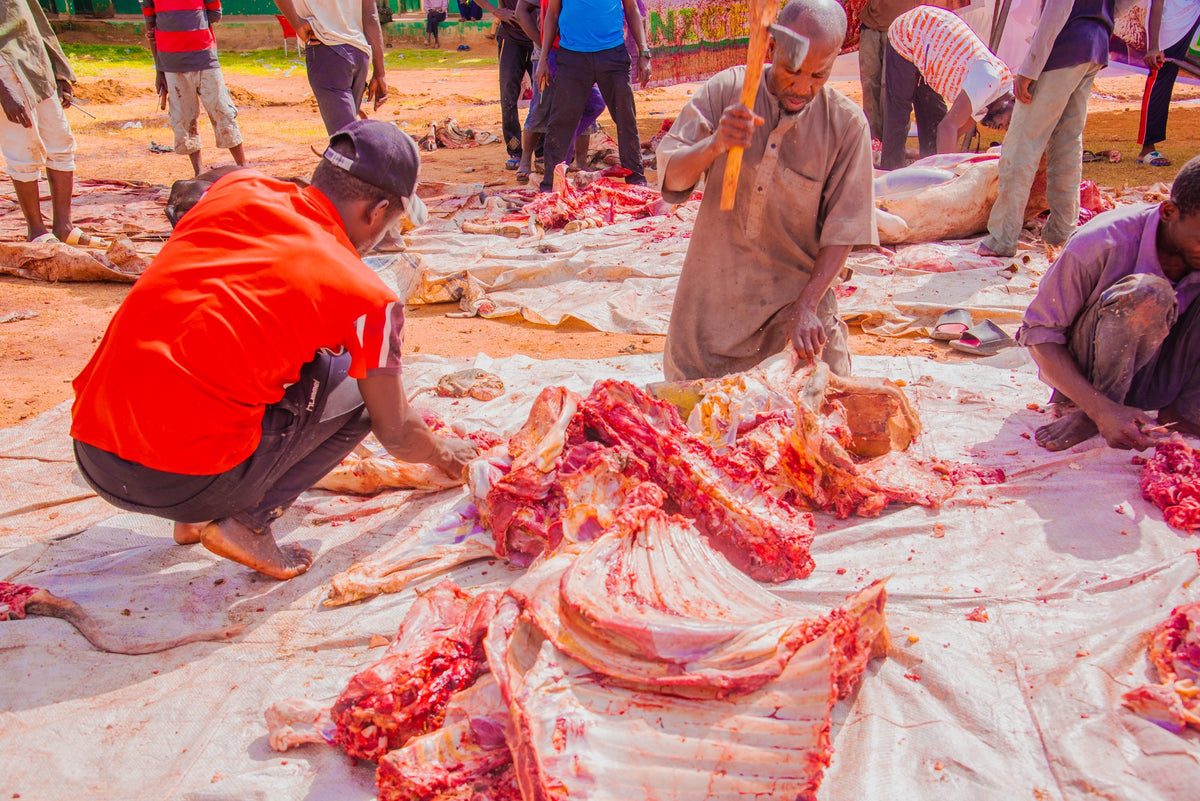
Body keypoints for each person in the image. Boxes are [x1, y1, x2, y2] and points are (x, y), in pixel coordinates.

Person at [70, 120, 477, 581]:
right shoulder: (368, 296)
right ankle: (246, 522)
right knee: (360, 389)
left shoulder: (236, 189)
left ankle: (192, 520)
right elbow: (397, 432)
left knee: (242, 350)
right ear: (377, 209)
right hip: (181, 482)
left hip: (94, 453)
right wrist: (447, 454)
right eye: (392, 221)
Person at [659, 0, 877, 381]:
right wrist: (715, 145)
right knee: (691, 427)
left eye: (818, 76)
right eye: (793, 71)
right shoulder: (728, 91)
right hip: (711, 314)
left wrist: (807, 306)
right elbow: (671, 180)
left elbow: (846, 229)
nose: (802, 87)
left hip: (794, 312)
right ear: (772, 49)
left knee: (825, 412)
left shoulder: (846, 125)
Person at [1017, 155, 1200, 452]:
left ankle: (1185, 410)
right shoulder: (1102, 242)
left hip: (1164, 370)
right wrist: (1100, 409)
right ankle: (1096, 411)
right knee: (1149, 293)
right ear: (1168, 212)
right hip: (1093, 370)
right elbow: (1039, 335)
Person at [979, 0, 1137, 258]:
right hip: (1095, 44)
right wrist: (1101, 16)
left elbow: (1058, 9)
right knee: (1067, 142)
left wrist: (1030, 67)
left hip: (1064, 46)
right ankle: (1062, 232)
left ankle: (1002, 237)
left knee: (1022, 143)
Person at [0, 0, 102, 246]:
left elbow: (39, 22)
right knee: (24, 147)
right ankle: (36, 230)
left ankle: (63, 227)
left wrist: (60, 70)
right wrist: (4, 93)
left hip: (36, 61)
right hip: (6, 68)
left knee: (60, 142)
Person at [535, 0, 650, 192]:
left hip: (612, 55)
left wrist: (644, 52)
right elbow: (552, 14)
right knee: (560, 123)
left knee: (625, 118)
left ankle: (636, 181)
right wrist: (543, 58)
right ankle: (550, 185)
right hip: (572, 57)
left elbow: (632, 9)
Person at [881, 5, 1014, 170]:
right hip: (912, 31)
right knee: (899, 114)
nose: (1001, 129)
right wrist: (949, 178)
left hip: (930, 55)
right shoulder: (989, 79)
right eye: (1008, 122)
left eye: (1005, 130)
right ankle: (889, 175)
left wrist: (932, 159)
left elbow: (952, 133)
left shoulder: (989, 105)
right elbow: (947, 127)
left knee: (934, 121)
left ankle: (925, 173)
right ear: (1011, 100)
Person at [141, 0, 247, 177]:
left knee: (222, 111)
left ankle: (243, 168)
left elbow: (215, 14)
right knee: (184, 118)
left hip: (205, 58)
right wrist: (159, 70)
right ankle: (199, 174)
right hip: (172, 64)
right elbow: (151, 28)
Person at [274, 0, 388, 135]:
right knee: (350, 136)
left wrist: (297, 24)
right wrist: (379, 71)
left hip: (327, 50)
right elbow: (370, 15)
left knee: (346, 142)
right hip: (359, 53)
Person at [1136, 0, 1200, 166]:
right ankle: (1147, 148)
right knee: (1161, 79)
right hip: (1173, 25)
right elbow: (1156, 3)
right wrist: (1153, 46)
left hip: (1192, 16)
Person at [475, 0, 535, 170]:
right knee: (508, 96)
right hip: (511, 38)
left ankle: (541, 150)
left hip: (539, 38)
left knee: (544, 95)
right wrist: (496, 11)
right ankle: (515, 150)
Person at [857, 0, 925, 145]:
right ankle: (873, 145)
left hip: (902, 28)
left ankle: (892, 149)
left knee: (892, 90)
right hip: (871, 24)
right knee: (870, 88)